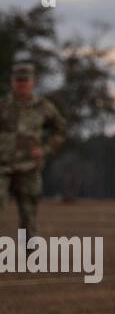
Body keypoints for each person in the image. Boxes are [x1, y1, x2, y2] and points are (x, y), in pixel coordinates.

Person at [0, 59, 67, 236]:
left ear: (33, 82)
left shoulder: (43, 107)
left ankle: (29, 258)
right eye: (18, 80)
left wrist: (45, 149)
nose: (22, 84)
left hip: (30, 168)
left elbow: (60, 130)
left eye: (25, 81)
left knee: (29, 216)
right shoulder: (3, 105)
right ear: (12, 82)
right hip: (3, 166)